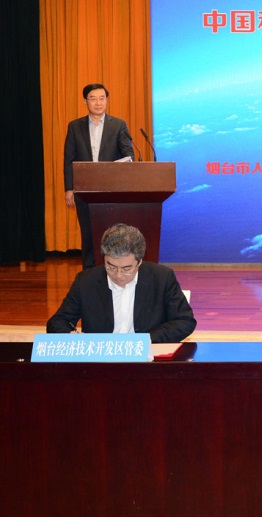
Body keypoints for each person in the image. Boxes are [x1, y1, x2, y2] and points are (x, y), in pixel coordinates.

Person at [47, 224, 196, 343]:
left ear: (139, 262)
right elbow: (57, 322)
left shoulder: (162, 277)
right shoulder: (86, 281)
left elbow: (184, 321)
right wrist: (71, 336)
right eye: (111, 266)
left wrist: (145, 340)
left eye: (126, 269)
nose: (118, 275)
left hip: (146, 355)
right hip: (102, 358)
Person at [63, 83, 135, 269]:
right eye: (93, 99)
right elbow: (69, 160)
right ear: (85, 102)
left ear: (107, 100)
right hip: (84, 189)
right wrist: (69, 188)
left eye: (102, 98)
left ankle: (112, 270)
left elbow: (128, 155)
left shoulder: (118, 125)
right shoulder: (75, 126)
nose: (98, 103)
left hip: (111, 189)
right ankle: (89, 273)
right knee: (88, 234)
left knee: (112, 233)